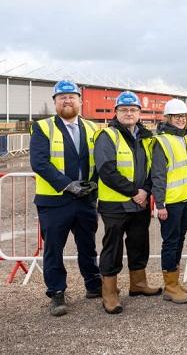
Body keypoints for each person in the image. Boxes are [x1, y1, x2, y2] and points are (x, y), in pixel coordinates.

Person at [29, 80, 101, 316]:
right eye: (62, 97)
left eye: (71, 96)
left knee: (88, 246)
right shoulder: (42, 127)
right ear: (55, 102)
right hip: (54, 202)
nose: (67, 100)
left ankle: (93, 284)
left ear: (80, 100)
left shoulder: (93, 129)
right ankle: (57, 293)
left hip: (85, 200)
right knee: (53, 249)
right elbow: (39, 162)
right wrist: (67, 185)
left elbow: (100, 161)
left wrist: (94, 183)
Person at [94, 91, 161, 314]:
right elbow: (106, 171)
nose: (129, 113)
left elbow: (152, 169)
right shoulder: (108, 136)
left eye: (133, 110)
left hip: (140, 203)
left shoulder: (145, 138)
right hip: (116, 204)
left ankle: (138, 283)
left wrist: (146, 191)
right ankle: (110, 293)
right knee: (112, 247)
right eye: (124, 109)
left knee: (139, 243)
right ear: (116, 112)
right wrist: (134, 192)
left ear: (140, 113)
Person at [152, 98, 187, 304]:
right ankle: (169, 287)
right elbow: (158, 175)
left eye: (183, 116)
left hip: (185, 199)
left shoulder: (183, 139)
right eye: (177, 116)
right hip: (170, 202)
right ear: (168, 118)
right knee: (170, 243)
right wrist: (159, 204)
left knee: (179, 240)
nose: (180, 119)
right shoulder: (162, 141)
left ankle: (175, 281)